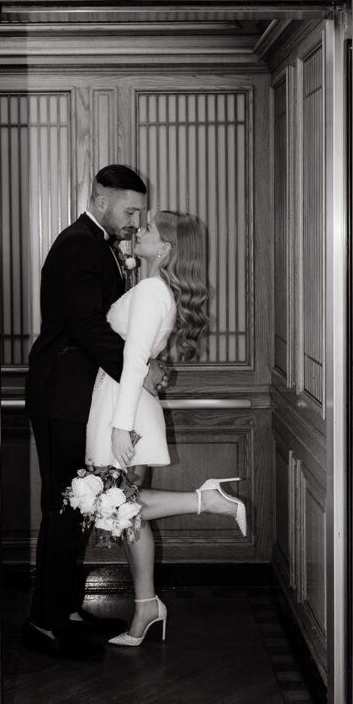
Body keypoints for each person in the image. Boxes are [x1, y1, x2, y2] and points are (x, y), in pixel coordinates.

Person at [85, 210, 247, 647]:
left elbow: (135, 359)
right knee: (123, 512)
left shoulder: (155, 291)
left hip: (126, 408)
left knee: (115, 506)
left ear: (166, 249)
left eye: (149, 230)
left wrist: (120, 428)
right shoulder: (152, 286)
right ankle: (146, 609)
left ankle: (209, 500)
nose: (139, 230)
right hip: (125, 403)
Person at [24, 165, 167, 660]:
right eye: (129, 210)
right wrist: (142, 368)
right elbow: (86, 325)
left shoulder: (97, 242)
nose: (134, 221)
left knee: (77, 509)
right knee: (63, 509)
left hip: (75, 396)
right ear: (100, 199)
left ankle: (64, 608)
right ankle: (44, 623)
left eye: (139, 214)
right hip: (61, 394)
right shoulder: (79, 245)